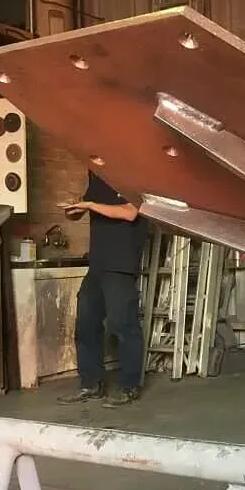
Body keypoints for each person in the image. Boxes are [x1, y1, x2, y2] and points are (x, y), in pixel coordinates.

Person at [56, 171, 149, 407]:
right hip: (97, 264)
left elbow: (130, 212)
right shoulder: (98, 178)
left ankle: (129, 386)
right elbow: (79, 214)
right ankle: (91, 384)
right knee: (86, 324)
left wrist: (89, 205)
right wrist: (74, 208)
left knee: (123, 324)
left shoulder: (133, 176)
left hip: (120, 264)